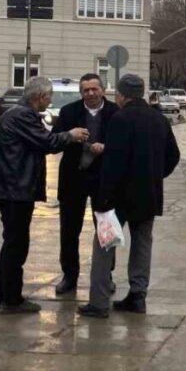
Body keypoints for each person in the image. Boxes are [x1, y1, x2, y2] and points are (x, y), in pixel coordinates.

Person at [0, 76, 88, 314]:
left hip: (10, 186)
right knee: (17, 243)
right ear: (40, 97)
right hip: (14, 188)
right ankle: (11, 298)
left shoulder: (16, 113)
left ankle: (1, 293)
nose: (50, 101)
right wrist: (71, 135)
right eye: (49, 97)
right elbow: (47, 142)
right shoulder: (23, 115)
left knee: (11, 241)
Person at [78, 74, 179, 318]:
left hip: (118, 198)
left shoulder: (119, 118)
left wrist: (103, 198)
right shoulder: (159, 119)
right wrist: (155, 176)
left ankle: (99, 303)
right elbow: (173, 156)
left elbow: (114, 162)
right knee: (143, 244)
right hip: (148, 195)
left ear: (121, 95)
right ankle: (137, 296)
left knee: (104, 246)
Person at [53, 73, 119, 296]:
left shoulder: (115, 113)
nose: (90, 94)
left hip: (103, 180)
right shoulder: (68, 112)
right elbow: (56, 139)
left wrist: (107, 146)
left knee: (105, 230)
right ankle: (69, 276)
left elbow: (124, 144)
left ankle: (105, 275)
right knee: (69, 230)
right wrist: (76, 141)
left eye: (94, 89)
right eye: (86, 90)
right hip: (74, 177)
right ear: (81, 93)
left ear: (103, 90)